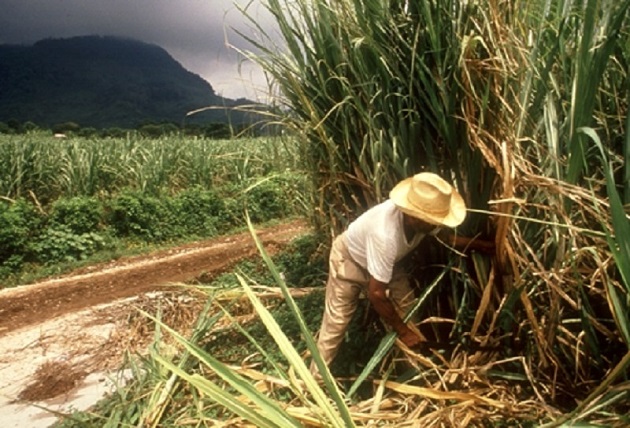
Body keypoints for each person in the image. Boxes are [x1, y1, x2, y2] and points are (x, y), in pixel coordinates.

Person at [310, 172, 494, 373]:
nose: (435, 225)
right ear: (413, 217)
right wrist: (404, 332)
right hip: (350, 260)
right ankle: (313, 381)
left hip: (388, 264)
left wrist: (483, 245)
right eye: (431, 221)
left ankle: (415, 370)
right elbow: (376, 294)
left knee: (408, 310)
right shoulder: (385, 235)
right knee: (337, 322)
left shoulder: (423, 222)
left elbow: (446, 238)